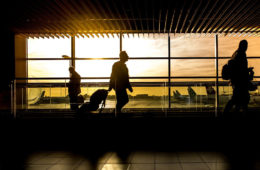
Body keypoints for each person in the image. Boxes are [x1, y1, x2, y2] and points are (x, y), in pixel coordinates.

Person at [223, 40, 254, 116]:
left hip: (236, 81)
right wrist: (248, 71)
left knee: (237, 99)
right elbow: (241, 69)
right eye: (246, 45)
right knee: (241, 99)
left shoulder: (236, 54)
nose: (246, 47)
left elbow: (238, 69)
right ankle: (227, 113)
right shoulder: (241, 54)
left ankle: (228, 113)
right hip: (240, 82)